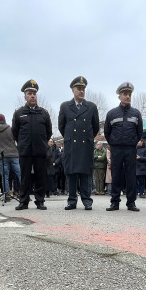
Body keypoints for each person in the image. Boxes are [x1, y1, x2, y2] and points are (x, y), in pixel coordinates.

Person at [58, 76, 100, 210]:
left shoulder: (91, 107)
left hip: (85, 144)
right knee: (71, 173)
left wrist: (87, 138)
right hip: (71, 144)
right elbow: (61, 126)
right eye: (79, 89)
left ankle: (87, 200)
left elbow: (95, 126)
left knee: (86, 173)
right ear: (73, 90)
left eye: (83, 89)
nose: (81, 91)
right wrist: (69, 137)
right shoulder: (65, 106)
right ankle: (72, 200)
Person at [12, 80, 52, 210]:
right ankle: (23, 201)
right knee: (25, 177)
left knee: (41, 177)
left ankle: (40, 200)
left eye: (34, 93)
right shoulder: (19, 113)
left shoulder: (44, 113)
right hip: (25, 151)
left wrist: (42, 143)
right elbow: (15, 132)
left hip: (40, 151)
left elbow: (49, 132)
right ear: (25, 96)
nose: (33, 96)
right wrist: (22, 143)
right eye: (29, 93)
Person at [104, 82, 142, 211]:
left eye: (129, 94)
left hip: (130, 148)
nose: (128, 96)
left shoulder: (136, 113)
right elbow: (107, 132)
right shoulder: (111, 113)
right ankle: (115, 202)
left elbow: (139, 132)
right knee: (116, 175)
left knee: (131, 175)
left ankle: (131, 203)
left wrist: (132, 142)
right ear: (119, 96)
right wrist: (114, 143)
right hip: (116, 149)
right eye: (125, 94)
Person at [0, 114, 20, 202]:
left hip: (3, 156)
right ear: (4, 120)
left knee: (5, 176)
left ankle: (7, 196)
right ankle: (25, 194)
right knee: (19, 174)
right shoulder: (10, 129)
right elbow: (17, 138)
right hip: (14, 155)